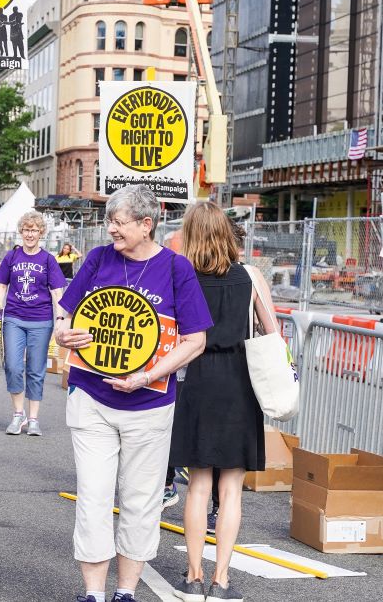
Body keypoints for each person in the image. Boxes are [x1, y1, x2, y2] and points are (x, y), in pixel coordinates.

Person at [54, 185, 212, 602]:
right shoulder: (97, 259)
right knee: (93, 498)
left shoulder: (177, 269)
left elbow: (195, 340)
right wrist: (62, 332)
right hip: (91, 399)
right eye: (110, 221)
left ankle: (125, 591)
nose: (111, 230)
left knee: (141, 503)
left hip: (149, 404)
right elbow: (65, 312)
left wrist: (147, 376)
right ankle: (93, 593)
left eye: (118, 223)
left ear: (147, 224)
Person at [168, 202, 274, 602]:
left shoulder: (184, 277)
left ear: (191, 234)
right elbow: (271, 331)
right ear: (228, 232)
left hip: (197, 381)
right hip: (241, 386)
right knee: (230, 489)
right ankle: (221, 580)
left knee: (197, 486)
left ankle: (193, 577)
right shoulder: (250, 276)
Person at [0, 211, 67, 436]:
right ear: (21, 231)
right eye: (26, 230)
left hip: (41, 321)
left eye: (34, 230)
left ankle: (33, 418)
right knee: (13, 366)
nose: (30, 234)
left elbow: (57, 291)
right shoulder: (12, 257)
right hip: (14, 318)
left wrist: (59, 318)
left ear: (41, 232)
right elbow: (1, 286)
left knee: (36, 370)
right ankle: (18, 414)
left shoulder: (48, 259)